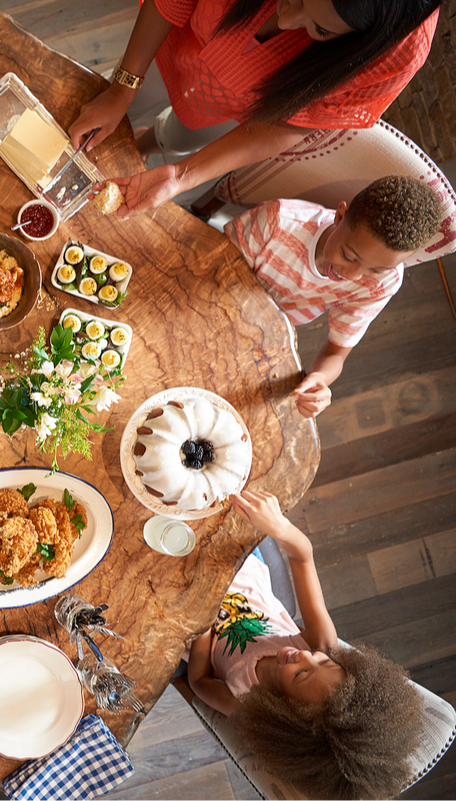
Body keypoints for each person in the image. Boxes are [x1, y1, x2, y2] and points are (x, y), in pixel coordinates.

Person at [69, 0, 440, 220]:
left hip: (245, 112)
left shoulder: (399, 51)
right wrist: (121, 87)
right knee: (103, 109)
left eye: (321, 31)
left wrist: (182, 175)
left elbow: (293, 123)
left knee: (180, 135)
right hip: (172, 40)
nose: (286, 19)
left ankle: (153, 142)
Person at [187, 489, 423, 800]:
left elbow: (199, 681)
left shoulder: (247, 702)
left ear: (286, 710)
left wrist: (204, 616)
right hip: (241, 565)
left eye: (300, 674)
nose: (303, 656)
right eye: (322, 662)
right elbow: (302, 555)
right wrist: (279, 527)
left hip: (190, 614)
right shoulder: (322, 643)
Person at [225, 175, 442, 418]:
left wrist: (319, 379)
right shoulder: (276, 222)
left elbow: (335, 353)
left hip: (263, 335)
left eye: (375, 270)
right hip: (215, 296)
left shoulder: (383, 283)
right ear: (339, 216)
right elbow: (209, 267)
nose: (352, 276)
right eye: (349, 256)